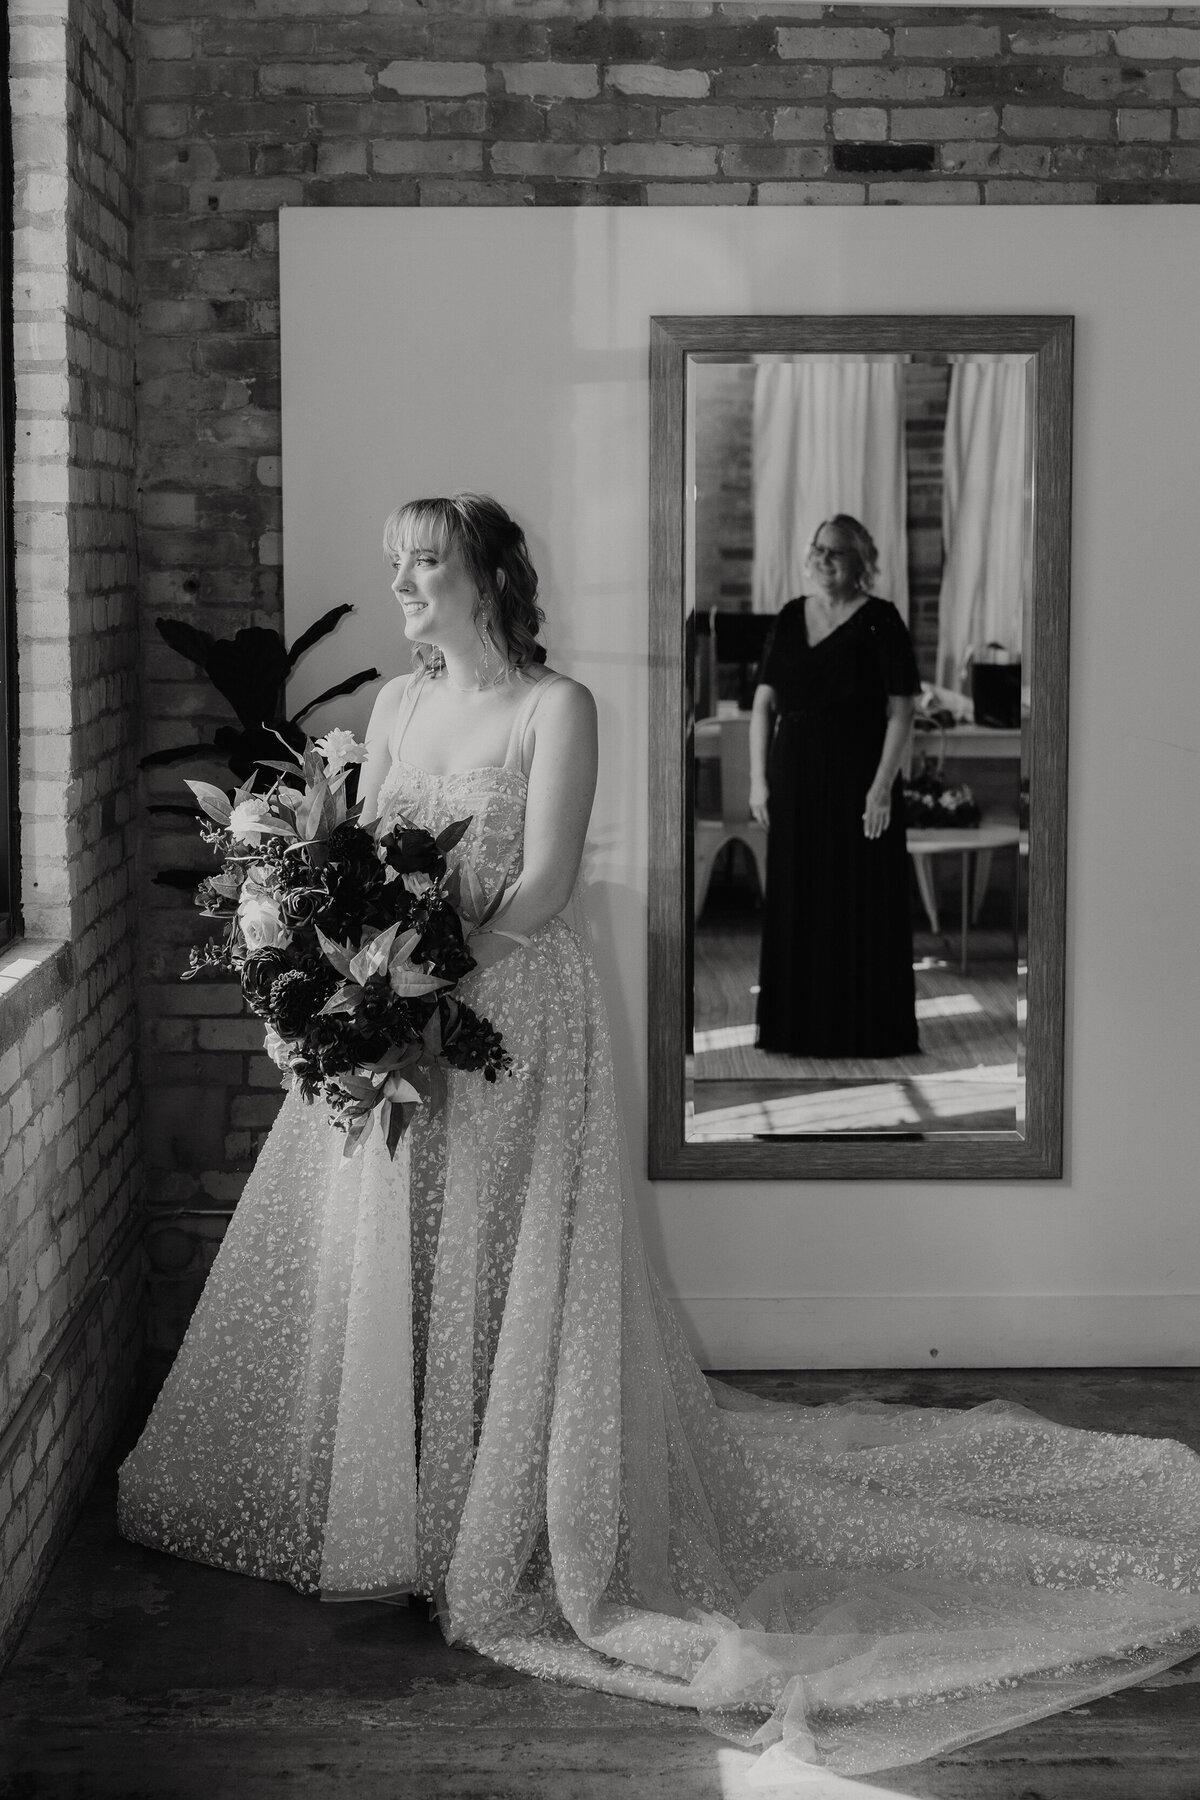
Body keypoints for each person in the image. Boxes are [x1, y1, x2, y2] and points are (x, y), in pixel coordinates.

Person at [118, 494, 1200, 1781]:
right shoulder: (398, 709)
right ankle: (398, 1511)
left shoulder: (555, 706)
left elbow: (545, 883)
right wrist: (350, 969)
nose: (402, 583)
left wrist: (412, 978)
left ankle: (507, 1519)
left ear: (486, 581)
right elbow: (354, 847)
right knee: (400, 1249)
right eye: (396, 563)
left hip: (506, 1015)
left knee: (511, 1262)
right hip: (394, 1016)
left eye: (426, 564)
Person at [750, 515, 921, 1058]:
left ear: (861, 561)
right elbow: (762, 706)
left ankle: (864, 1030)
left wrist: (881, 789)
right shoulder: (790, 616)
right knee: (798, 893)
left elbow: (901, 713)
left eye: (838, 554)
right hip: (793, 776)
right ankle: (796, 1028)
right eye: (819, 551)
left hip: (858, 779)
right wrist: (757, 780)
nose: (826, 562)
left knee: (859, 896)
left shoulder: (883, 620)